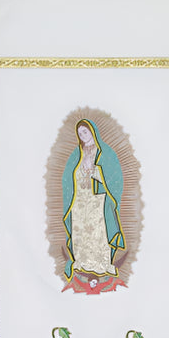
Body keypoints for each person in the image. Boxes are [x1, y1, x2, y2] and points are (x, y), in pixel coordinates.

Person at [62, 119, 125, 282]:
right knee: (81, 232)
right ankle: (82, 262)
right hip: (80, 199)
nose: (83, 135)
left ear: (93, 131)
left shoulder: (105, 152)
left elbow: (115, 178)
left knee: (98, 232)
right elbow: (68, 177)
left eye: (85, 131)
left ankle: (100, 264)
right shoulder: (76, 154)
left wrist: (96, 170)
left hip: (98, 199)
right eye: (80, 133)